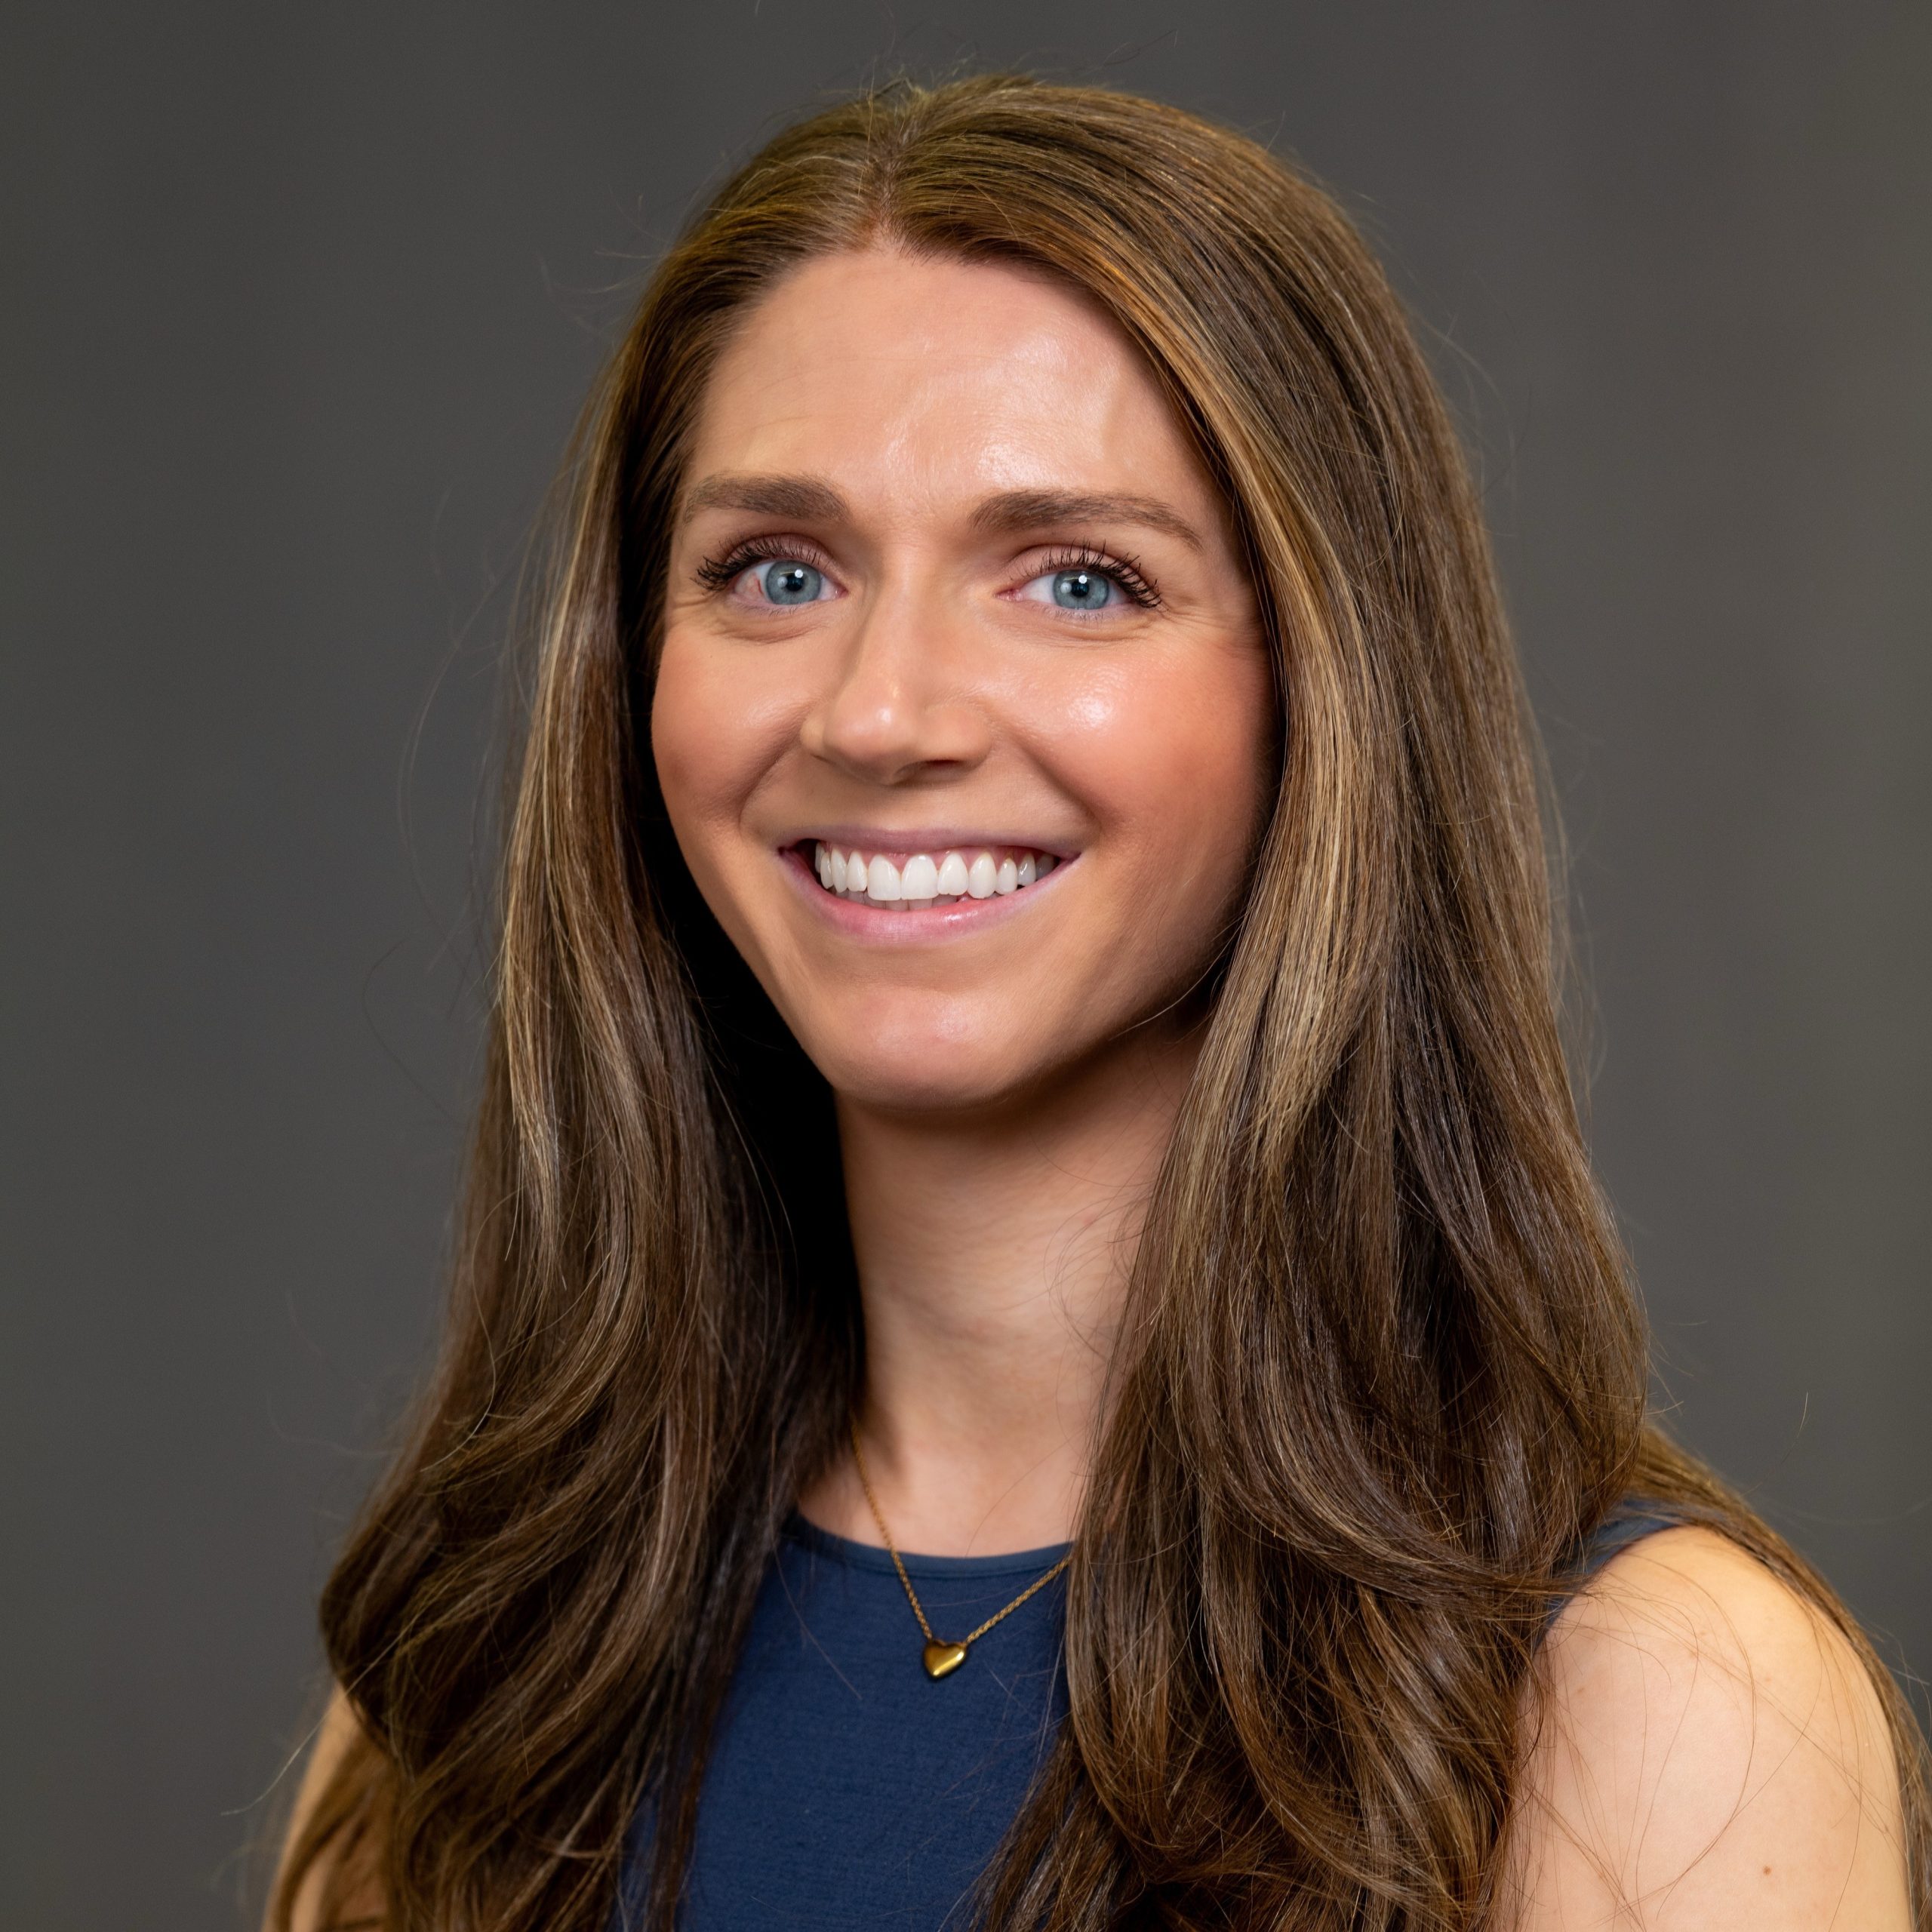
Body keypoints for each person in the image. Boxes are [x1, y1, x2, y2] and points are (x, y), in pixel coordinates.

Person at [268, 75, 1927, 1932]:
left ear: (1320, 693)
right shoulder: (478, 1670)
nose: (882, 712)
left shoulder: (1658, 1716)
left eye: (1075, 577)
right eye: (777, 570)